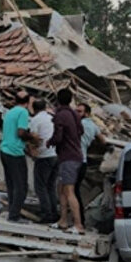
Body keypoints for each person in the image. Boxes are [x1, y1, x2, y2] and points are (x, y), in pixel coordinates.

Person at [48, 88, 85, 234]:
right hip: (74, 156)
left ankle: (78, 225)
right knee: (62, 189)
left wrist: (49, 142)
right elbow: (81, 131)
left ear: (57, 100)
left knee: (69, 191)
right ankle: (62, 221)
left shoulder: (60, 115)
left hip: (68, 158)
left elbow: (58, 137)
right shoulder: (74, 114)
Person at [0, 92, 36, 222]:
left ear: (15, 100)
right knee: (21, 187)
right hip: (14, 153)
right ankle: (14, 216)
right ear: (28, 101)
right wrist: (33, 137)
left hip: (4, 150)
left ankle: (12, 212)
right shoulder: (23, 112)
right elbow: (21, 132)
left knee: (11, 185)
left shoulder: (10, 112)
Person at [29, 99, 59, 224]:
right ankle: (54, 213)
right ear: (45, 107)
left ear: (33, 109)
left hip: (44, 156)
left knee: (40, 186)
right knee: (51, 186)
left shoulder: (35, 120)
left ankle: (47, 214)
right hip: (56, 155)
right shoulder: (51, 118)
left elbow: (34, 137)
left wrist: (33, 149)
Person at [75, 103, 107, 207]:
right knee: (75, 190)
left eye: (79, 111)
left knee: (68, 190)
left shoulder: (76, 124)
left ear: (87, 113)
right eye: (76, 111)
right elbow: (103, 141)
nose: (76, 113)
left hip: (73, 161)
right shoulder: (93, 126)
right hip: (83, 162)